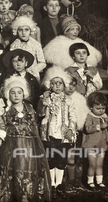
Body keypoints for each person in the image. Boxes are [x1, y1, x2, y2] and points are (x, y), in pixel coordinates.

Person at [0, 75, 52, 202]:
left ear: (23, 93)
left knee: (27, 166)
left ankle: (26, 193)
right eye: (13, 93)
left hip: (29, 143)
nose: (16, 95)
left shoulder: (29, 108)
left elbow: (38, 119)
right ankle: (12, 193)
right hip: (11, 143)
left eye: (19, 92)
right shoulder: (5, 109)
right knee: (13, 166)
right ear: (8, 94)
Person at [38, 67, 77, 199]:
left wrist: (71, 130)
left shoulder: (68, 100)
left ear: (64, 85)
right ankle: (52, 185)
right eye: (53, 83)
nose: (57, 86)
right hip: (49, 133)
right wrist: (45, 103)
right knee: (51, 160)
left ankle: (59, 184)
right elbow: (40, 113)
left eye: (59, 83)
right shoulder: (45, 99)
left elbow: (73, 117)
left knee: (61, 160)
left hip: (63, 134)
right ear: (49, 85)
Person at [82, 92, 108, 188]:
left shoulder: (105, 116)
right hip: (91, 145)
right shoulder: (90, 116)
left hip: (102, 145)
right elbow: (87, 129)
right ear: (91, 107)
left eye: (103, 108)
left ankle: (99, 181)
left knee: (100, 164)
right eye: (98, 108)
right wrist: (99, 126)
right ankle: (90, 181)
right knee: (92, 164)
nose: (101, 111)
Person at [9, 16, 46, 81]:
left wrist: (33, 69)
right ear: (16, 31)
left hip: (33, 75)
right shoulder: (14, 45)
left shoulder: (36, 44)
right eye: (20, 30)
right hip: (18, 74)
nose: (23, 33)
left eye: (26, 29)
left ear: (30, 30)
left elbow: (42, 63)